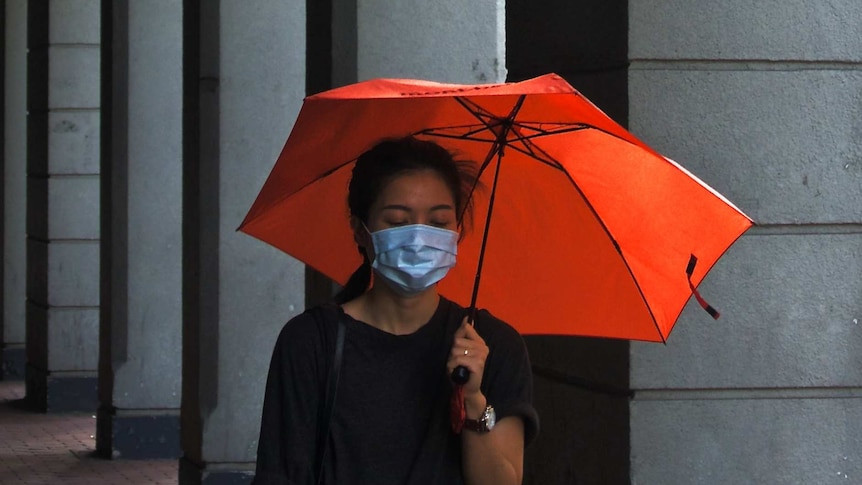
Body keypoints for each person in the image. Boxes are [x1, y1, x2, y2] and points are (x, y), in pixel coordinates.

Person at [252, 136, 539, 484]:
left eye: (438, 223)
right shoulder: (311, 342)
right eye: (398, 221)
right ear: (361, 230)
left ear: (457, 231)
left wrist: (473, 400)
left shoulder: (492, 345)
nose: (418, 240)